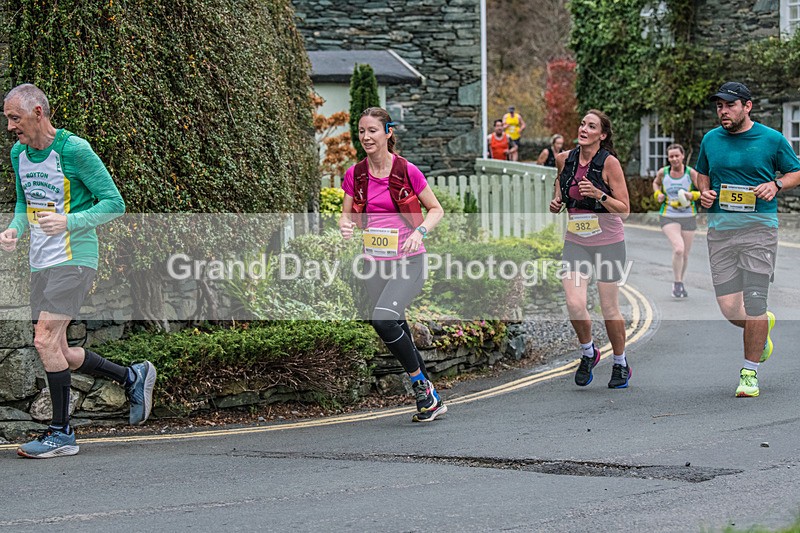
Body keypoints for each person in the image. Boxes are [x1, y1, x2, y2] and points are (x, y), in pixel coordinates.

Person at [0, 84, 156, 458]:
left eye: (14, 118)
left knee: (43, 340)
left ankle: (61, 433)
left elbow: (114, 203)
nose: (9, 127)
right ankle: (131, 376)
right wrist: (14, 230)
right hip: (40, 261)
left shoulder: (74, 150)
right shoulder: (18, 153)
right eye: (7, 119)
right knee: (60, 348)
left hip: (75, 256)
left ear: (38, 112)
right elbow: (25, 203)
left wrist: (69, 222)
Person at [339, 107, 446, 422]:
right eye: (361, 131)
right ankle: (430, 397)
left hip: (409, 260)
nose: (366, 137)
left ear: (388, 132)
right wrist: (346, 225)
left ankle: (418, 383)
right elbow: (348, 214)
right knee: (395, 324)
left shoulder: (406, 170)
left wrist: (420, 231)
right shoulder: (355, 174)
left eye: (372, 130)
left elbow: (436, 209)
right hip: (374, 262)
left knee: (383, 320)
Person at [696, 81, 800, 398]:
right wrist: (704, 191)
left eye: (729, 105)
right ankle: (762, 326)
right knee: (730, 308)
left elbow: (796, 172)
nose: (723, 111)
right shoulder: (710, 140)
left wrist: (777, 185)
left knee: (754, 301)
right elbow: (702, 172)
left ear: (747, 106)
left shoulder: (771, 139)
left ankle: (749, 374)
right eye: (719, 106)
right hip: (720, 232)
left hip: (759, 230)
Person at [549, 110, 631, 389]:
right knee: (574, 303)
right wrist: (557, 198)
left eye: (591, 126)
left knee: (609, 308)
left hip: (609, 242)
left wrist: (599, 194)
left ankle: (620, 362)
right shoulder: (564, 159)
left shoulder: (610, 164)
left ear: (602, 135)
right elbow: (560, 182)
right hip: (576, 241)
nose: (584, 128)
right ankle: (589, 351)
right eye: (583, 124)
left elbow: (625, 210)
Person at [652, 143, 700, 298]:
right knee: (678, 248)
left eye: (676, 156)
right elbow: (655, 183)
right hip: (669, 214)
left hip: (688, 215)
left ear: (683, 156)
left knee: (685, 254)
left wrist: (693, 195)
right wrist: (657, 194)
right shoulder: (663, 172)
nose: (674, 159)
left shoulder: (690, 173)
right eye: (671, 156)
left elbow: (702, 190)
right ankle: (677, 283)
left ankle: (680, 282)